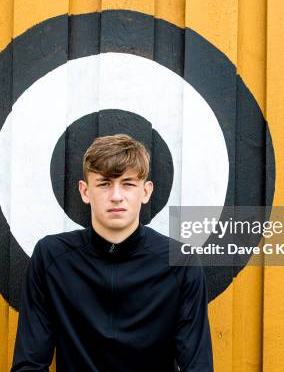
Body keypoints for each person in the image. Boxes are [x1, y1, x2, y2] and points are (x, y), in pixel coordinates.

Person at [11, 134, 213, 371]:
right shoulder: (51, 257)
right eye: (104, 183)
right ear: (85, 191)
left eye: (128, 183)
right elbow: (29, 364)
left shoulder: (181, 262)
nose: (116, 196)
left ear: (146, 192)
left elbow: (197, 367)